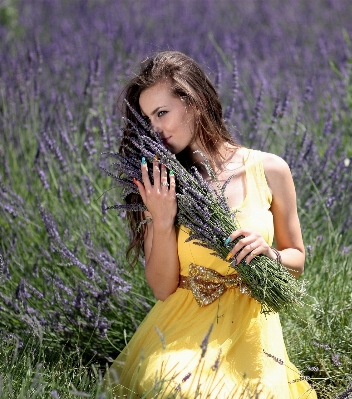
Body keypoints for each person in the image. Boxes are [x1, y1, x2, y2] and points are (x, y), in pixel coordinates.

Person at [108, 51, 317, 399]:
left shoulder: (270, 169)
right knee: (177, 391)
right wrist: (161, 220)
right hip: (182, 327)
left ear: (195, 102)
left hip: (251, 331)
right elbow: (162, 288)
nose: (155, 129)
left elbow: (297, 259)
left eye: (162, 113)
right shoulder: (162, 181)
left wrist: (271, 256)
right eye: (148, 119)